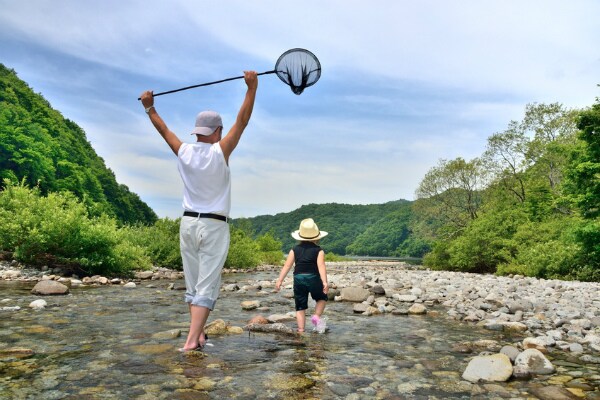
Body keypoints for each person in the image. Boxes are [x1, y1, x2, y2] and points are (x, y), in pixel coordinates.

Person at [139, 70, 258, 352]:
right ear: (217, 132)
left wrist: (149, 107)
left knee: (193, 285)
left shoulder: (183, 150)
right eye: (221, 130)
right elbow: (242, 122)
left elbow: (163, 130)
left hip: (188, 225)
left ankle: (200, 334)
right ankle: (191, 342)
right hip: (214, 226)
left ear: (197, 131)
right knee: (206, 285)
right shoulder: (221, 151)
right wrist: (251, 88)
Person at [275, 218, 329, 333]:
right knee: (322, 298)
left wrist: (280, 280)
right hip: (313, 277)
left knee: (300, 306)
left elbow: (287, 266)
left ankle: (301, 330)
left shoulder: (294, 249)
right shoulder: (319, 251)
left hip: (299, 278)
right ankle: (316, 316)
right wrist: (324, 282)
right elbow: (321, 267)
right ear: (316, 237)